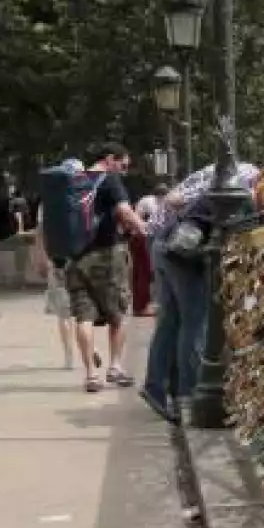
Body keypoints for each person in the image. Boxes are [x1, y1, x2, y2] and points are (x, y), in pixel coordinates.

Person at [141, 161, 264, 421]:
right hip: (180, 253)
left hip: (164, 244)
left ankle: (156, 390)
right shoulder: (245, 187)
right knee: (196, 323)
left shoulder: (242, 180)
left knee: (171, 323)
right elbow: (180, 201)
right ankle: (190, 397)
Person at [65, 142, 144, 392]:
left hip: (75, 257)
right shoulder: (110, 179)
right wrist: (144, 228)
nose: (124, 171)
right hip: (107, 255)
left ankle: (90, 375)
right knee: (118, 312)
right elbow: (124, 211)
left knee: (83, 316)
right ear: (110, 159)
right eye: (123, 164)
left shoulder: (72, 180)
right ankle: (115, 367)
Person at [31, 204, 77, 369]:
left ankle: (69, 354)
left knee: (63, 313)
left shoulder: (48, 201)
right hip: (78, 258)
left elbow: (40, 232)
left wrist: (41, 256)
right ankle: (88, 347)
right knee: (82, 308)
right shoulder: (82, 194)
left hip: (56, 259)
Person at [130, 182, 167, 318]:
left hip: (149, 238)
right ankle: (141, 306)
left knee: (145, 272)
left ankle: (144, 304)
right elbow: (136, 217)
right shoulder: (148, 201)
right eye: (161, 195)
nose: (162, 198)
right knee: (142, 272)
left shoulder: (159, 203)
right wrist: (145, 227)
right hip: (141, 238)